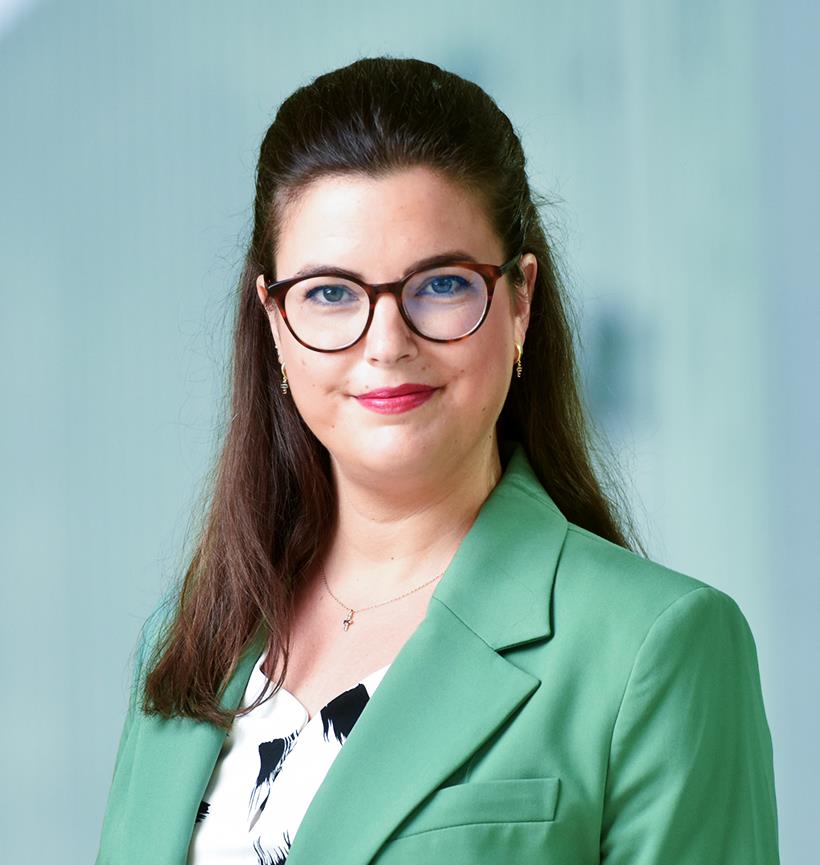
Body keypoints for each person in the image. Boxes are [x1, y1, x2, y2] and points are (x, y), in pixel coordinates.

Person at [95, 56, 780, 865]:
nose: (387, 342)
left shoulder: (654, 646)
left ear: (520, 300)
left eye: (442, 284)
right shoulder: (190, 641)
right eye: (330, 292)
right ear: (274, 321)